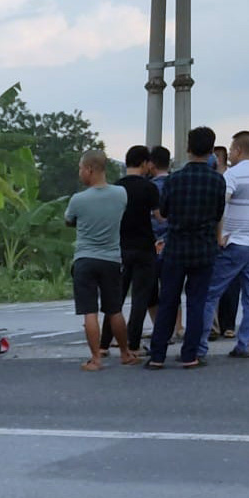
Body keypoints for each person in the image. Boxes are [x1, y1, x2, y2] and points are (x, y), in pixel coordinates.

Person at [146, 127, 226, 369]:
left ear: (188, 148)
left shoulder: (174, 179)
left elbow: (165, 212)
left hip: (176, 247)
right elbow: (218, 213)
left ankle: (158, 355)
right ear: (212, 150)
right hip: (203, 248)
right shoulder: (217, 181)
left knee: (168, 300)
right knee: (197, 302)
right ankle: (190, 354)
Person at [197, 131, 249, 360]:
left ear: (238, 150)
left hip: (234, 242)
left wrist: (220, 234)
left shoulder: (232, 175)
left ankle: (200, 346)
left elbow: (220, 204)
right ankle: (244, 344)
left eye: (232, 150)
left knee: (210, 293)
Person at [65, 150, 133, 371]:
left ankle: (96, 359)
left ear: (90, 169)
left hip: (85, 260)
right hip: (112, 260)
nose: (79, 173)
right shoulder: (121, 194)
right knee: (114, 310)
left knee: (90, 311)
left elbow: (69, 221)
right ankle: (125, 353)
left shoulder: (78, 200)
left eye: (80, 168)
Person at [99, 146, 159, 356]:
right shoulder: (149, 188)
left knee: (114, 299)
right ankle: (133, 346)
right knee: (140, 298)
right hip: (144, 248)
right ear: (144, 163)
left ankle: (104, 345)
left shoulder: (116, 188)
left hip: (119, 248)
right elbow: (160, 217)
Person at [211, 146, 240, 339]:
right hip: (215, 235)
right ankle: (214, 325)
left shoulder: (229, 178)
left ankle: (228, 323)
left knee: (231, 282)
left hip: (229, 234)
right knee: (213, 282)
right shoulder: (213, 181)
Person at [148, 146, 172, 333]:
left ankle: (159, 328)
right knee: (171, 287)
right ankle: (177, 327)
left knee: (150, 288)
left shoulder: (150, 188)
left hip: (152, 242)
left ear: (152, 164)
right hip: (173, 240)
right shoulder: (175, 183)